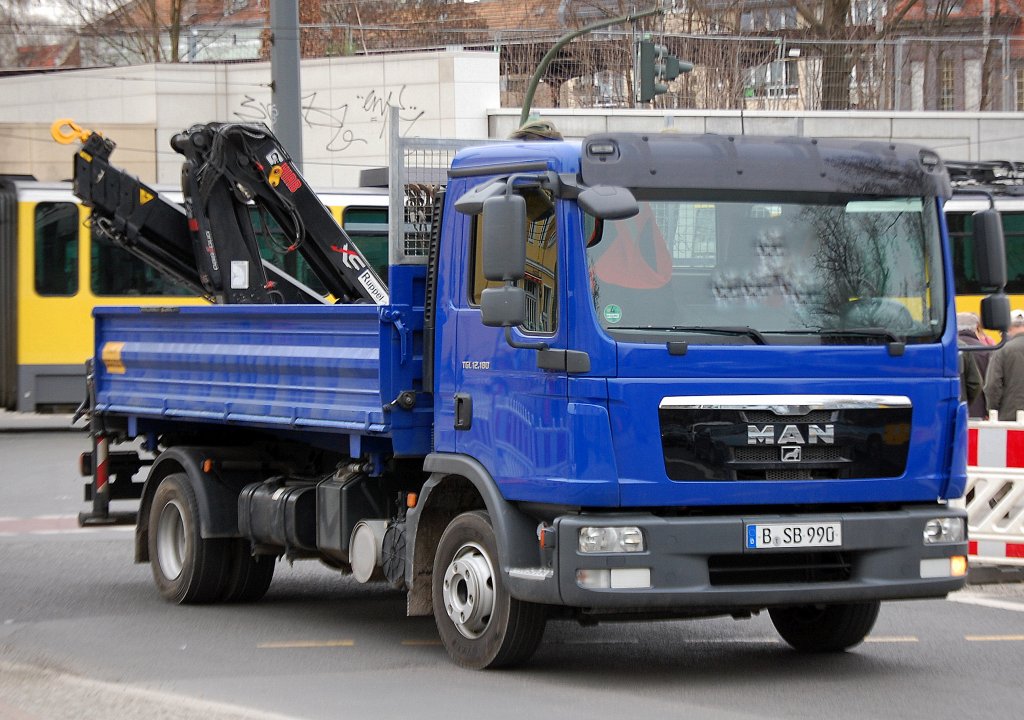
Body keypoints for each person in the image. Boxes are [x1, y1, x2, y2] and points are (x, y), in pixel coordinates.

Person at [984, 309, 1024, 421]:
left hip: (1011, 415)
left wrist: (992, 409)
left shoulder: (1003, 350)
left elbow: (992, 385)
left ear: (1009, 328)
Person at [957, 312, 990, 418]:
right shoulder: (986, 350)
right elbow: (977, 384)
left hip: (955, 410)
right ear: (976, 327)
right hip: (978, 411)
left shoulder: (950, 347)